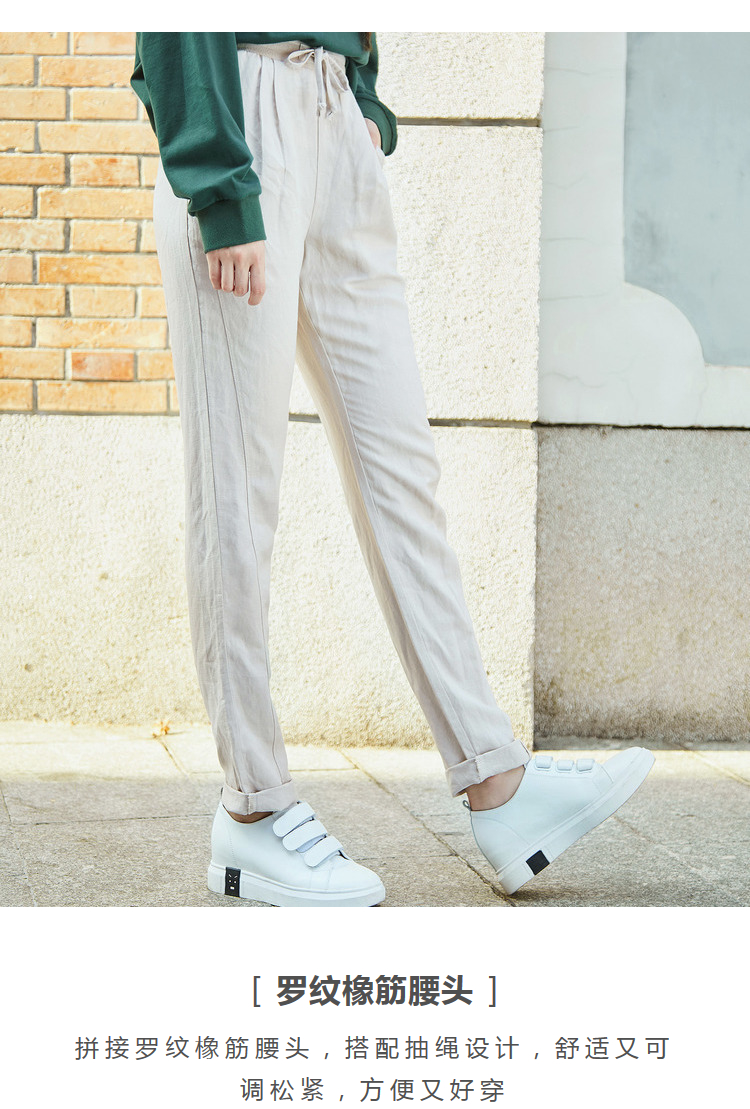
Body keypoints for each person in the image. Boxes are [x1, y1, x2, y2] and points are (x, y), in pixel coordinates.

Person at [131, 33, 654, 907]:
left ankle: (497, 780)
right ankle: (252, 806)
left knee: (400, 466)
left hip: (335, 115)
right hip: (239, 106)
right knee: (237, 493)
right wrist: (218, 184)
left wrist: (364, 99)